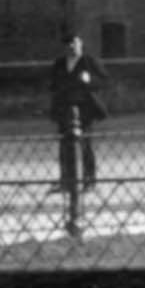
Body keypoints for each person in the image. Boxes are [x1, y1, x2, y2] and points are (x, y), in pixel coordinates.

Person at [48, 33, 108, 237]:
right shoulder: (59, 63)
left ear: (81, 44)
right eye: (68, 44)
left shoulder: (89, 62)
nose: (72, 47)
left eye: (75, 43)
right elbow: (52, 84)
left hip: (84, 110)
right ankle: (66, 178)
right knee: (65, 144)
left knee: (85, 144)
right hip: (65, 109)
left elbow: (103, 80)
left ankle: (89, 179)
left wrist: (89, 80)